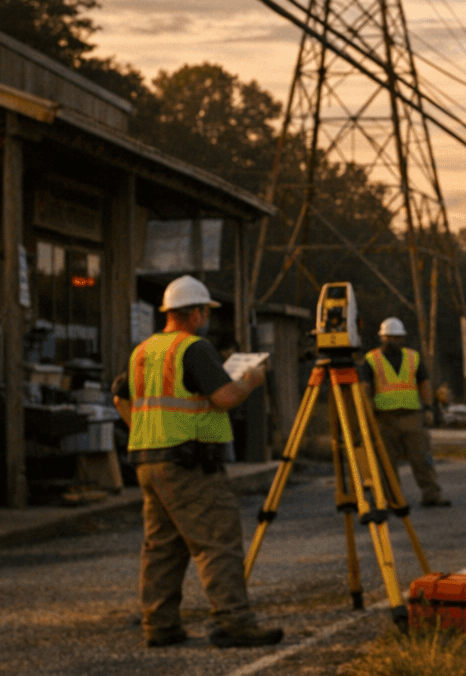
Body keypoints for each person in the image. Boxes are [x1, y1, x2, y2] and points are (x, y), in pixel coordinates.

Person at [112, 275, 284, 650]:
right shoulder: (195, 348)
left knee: (163, 547)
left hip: (147, 462)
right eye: (205, 312)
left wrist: (143, 428)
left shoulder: (144, 351)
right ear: (196, 312)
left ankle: (160, 626)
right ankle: (234, 622)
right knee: (218, 541)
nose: (207, 318)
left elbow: (118, 399)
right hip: (188, 463)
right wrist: (251, 380)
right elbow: (223, 397)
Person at [360, 318, 450, 507]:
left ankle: (432, 494)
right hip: (384, 419)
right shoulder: (371, 359)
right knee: (387, 463)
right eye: (389, 337)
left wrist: (428, 408)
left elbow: (424, 383)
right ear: (382, 337)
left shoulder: (413, 357)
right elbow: (365, 388)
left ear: (402, 338)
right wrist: (366, 415)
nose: (393, 340)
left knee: (422, 457)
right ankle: (393, 499)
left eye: (396, 337)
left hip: (411, 416)